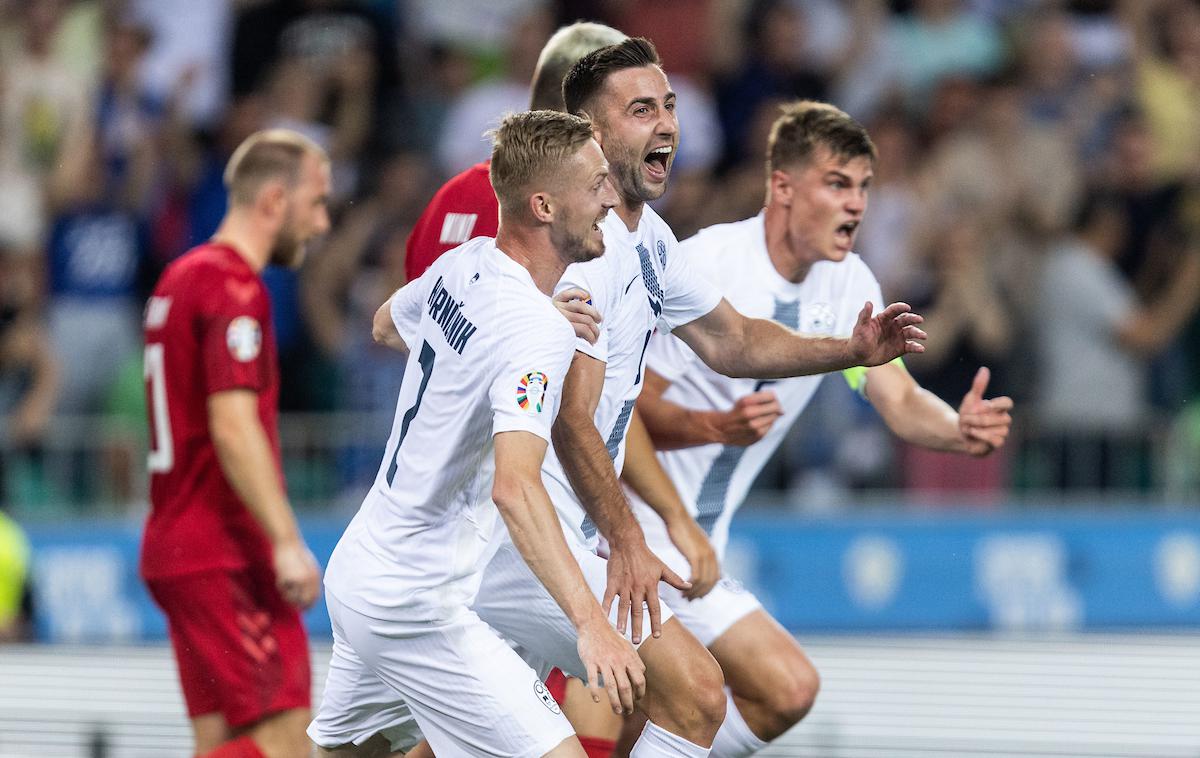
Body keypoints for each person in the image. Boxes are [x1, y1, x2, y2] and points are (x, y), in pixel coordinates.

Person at [622, 101, 1014, 757]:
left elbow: (895, 396)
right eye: (837, 184)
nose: (856, 204)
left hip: (696, 549)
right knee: (660, 705)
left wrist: (956, 427)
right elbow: (623, 412)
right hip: (625, 535)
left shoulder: (848, 283)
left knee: (787, 689)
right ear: (783, 187)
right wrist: (712, 427)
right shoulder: (709, 264)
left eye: (864, 186)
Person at [307, 109, 644, 758]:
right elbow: (516, 489)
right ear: (544, 205)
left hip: (361, 570)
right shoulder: (535, 332)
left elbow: (383, 324)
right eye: (597, 184)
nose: (612, 197)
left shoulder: (463, 265)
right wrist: (592, 624)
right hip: (417, 601)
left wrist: (519, 323)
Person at [403, 21, 632, 756]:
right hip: (521, 498)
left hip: (440, 493)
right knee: (609, 691)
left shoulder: (451, 203)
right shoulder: (575, 219)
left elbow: (417, 333)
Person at [140, 129, 328, 758]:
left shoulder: (179, 279)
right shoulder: (233, 288)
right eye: (316, 203)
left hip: (177, 543)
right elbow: (232, 423)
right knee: (285, 743)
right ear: (275, 200)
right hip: (226, 550)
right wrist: (284, 540)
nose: (322, 223)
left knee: (222, 740)